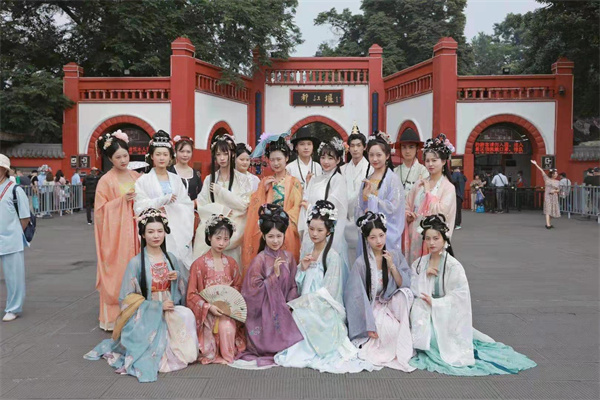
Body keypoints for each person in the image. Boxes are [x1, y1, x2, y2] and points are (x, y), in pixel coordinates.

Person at [409, 214, 537, 375]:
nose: (431, 243)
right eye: (428, 239)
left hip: (446, 314)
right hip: (425, 312)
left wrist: (436, 303)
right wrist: (424, 276)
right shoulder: (419, 263)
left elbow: (459, 297)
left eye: (436, 238)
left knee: (433, 339)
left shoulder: (453, 266)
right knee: (418, 332)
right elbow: (413, 288)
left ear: (444, 239)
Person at [84, 208, 198, 382]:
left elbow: (184, 287)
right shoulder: (136, 263)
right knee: (156, 355)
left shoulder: (171, 258)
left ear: (165, 232)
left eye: (160, 231)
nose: (156, 236)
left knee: (187, 315)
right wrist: (157, 306)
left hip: (170, 305)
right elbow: (126, 298)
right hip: (147, 312)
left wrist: (176, 278)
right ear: (143, 235)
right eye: (150, 232)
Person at [275, 201, 373, 373]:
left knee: (299, 315)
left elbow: (330, 291)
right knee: (295, 315)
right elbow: (299, 284)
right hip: (308, 302)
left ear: (329, 231)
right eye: (311, 228)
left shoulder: (332, 256)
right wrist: (302, 269)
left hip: (324, 307)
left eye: (320, 230)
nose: (314, 233)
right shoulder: (308, 251)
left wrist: (306, 302)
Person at [344, 212, 414, 371]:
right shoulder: (361, 264)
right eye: (373, 237)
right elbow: (355, 297)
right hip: (371, 307)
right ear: (366, 239)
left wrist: (392, 266)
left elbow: (404, 284)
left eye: (381, 235)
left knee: (405, 295)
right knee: (389, 330)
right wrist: (367, 324)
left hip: (390, 303)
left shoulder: (394, 256)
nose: (378, 241)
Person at [237, 204, 302, 367]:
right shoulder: (259, 260)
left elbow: (293, 284)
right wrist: (274, 277)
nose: (275, 241)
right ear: (264, 236)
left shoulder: (288, 257)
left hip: (285, 309)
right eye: (271, 236)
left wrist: (290, 304)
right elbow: (250, 292)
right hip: (264, 315)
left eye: (279, 236)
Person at [93, 130, 141, 331]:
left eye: (125, 156)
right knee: (118, 273)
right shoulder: (106, 181)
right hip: (116, 237)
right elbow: (100, 211)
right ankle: (114, 320)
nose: (123, 160)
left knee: (136, 272)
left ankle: (136, 316)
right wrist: (121, 201)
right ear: (110, 159)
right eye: (118, 157)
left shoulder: (136, 176)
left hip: (136, 232)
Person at [187, 214, 246, 364]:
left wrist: (229, 304)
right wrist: (208, 307)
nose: (221, 243)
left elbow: (237, 288)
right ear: (209, 237)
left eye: (226, 239)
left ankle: (228, 356)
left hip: (226, 312)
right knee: (209, 348)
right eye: (218, 238)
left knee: (227, 327)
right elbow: (191, 295)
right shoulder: (199, 264)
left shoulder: (231, 263)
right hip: (207, 314)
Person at [135, 130, 195, 271]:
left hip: (176, 227)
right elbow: (139, 205)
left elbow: (186, 204)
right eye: (158, 154)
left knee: (176, 265)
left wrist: (170, 209)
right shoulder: (143, 180)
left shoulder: (176, 179)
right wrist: (160, 203)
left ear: (170, 157)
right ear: (152, 156)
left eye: (165, 154)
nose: (161, 158)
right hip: (154, 228)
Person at [242, 133, 303, 268]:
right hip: (268, 232)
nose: (275, 163)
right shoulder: (265, 181)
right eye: (272, 160)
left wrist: (282, 222)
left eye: (279, 159)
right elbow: (255, 208)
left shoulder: (294, 183)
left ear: (286, 158)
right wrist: (262, 191)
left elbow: (296, 208)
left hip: (285, 230)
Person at [194, 134, 251, 264]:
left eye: (225, 154)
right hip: (212, 225)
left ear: (232, 154)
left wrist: (222, 193)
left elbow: (244, 205)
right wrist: (220, 210)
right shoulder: (209, 179)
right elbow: (202, 204)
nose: (222, 158)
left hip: (235, 229)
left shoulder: (243, 179)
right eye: (218, 154)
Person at [404, 133, 456, 267]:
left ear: (443, 161)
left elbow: (442, 213)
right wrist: (408, 215)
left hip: (434, 239)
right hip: (415, 236)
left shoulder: (448, 187)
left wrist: (428, 193)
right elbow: (407, 204)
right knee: (415, 269)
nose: (430, 164)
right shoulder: (419, 184)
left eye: (434, 160)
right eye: (427, 161)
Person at [298, 137, 348, 275]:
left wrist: (310, 208)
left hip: (328, 233)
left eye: (330, 158)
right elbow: (306, 199)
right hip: (313, 229)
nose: (326, 161)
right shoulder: (316, 179)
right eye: (323, 157)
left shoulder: (338, 180)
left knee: (327, 270)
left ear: (338, 160)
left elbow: (333, 208)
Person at [356, 131, 405, 257]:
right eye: (371, 155)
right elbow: (360, 208)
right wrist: (364, 209)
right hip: (368, 233)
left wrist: (372, 198)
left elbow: (393, 208)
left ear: (387, 155)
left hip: (385, 234)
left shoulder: (392, 179)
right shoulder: (367, 179)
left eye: (379, 155)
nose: (374, 159)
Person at [0, 154, 30, 322]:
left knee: (14, 277)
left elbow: (25, 217)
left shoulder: (15, 189)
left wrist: (15, 233)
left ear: (4, 170)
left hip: (11, 239)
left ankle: (14, 308)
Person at [340, 123, 370, 260]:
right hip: (345, 217)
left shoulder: (370, 169)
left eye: (358, 145)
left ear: (364, 147)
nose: (355, 149)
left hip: (362, 217)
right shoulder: (343, 169)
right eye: (352, 146)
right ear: (348, 148)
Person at [168, 135, 202, 203]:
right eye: (182, 151)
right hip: (173, 208)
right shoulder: (169, 172)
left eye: (188, 152)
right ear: (175, 152)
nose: (185, 155)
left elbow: (201, 195)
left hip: (192, 208)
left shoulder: (196, 174)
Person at [394, 128, 429, 193]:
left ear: (417, 149)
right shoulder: (395, 171)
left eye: (411, 147)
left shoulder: (423, 171)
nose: (407, 151)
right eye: (404, 147)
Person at [531, 160, 560, 229]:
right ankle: (548, 225)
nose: (556, 174)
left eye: (557, 173)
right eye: (555, 173)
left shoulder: (557, 181)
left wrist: (555, 191)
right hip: (547, 196)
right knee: (548, 210)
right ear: (552, 174)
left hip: (554, 197)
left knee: (552, 211)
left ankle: (549, 223)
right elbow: (542, 171)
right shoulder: (546, 178)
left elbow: (559, 189)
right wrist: (536, 164)